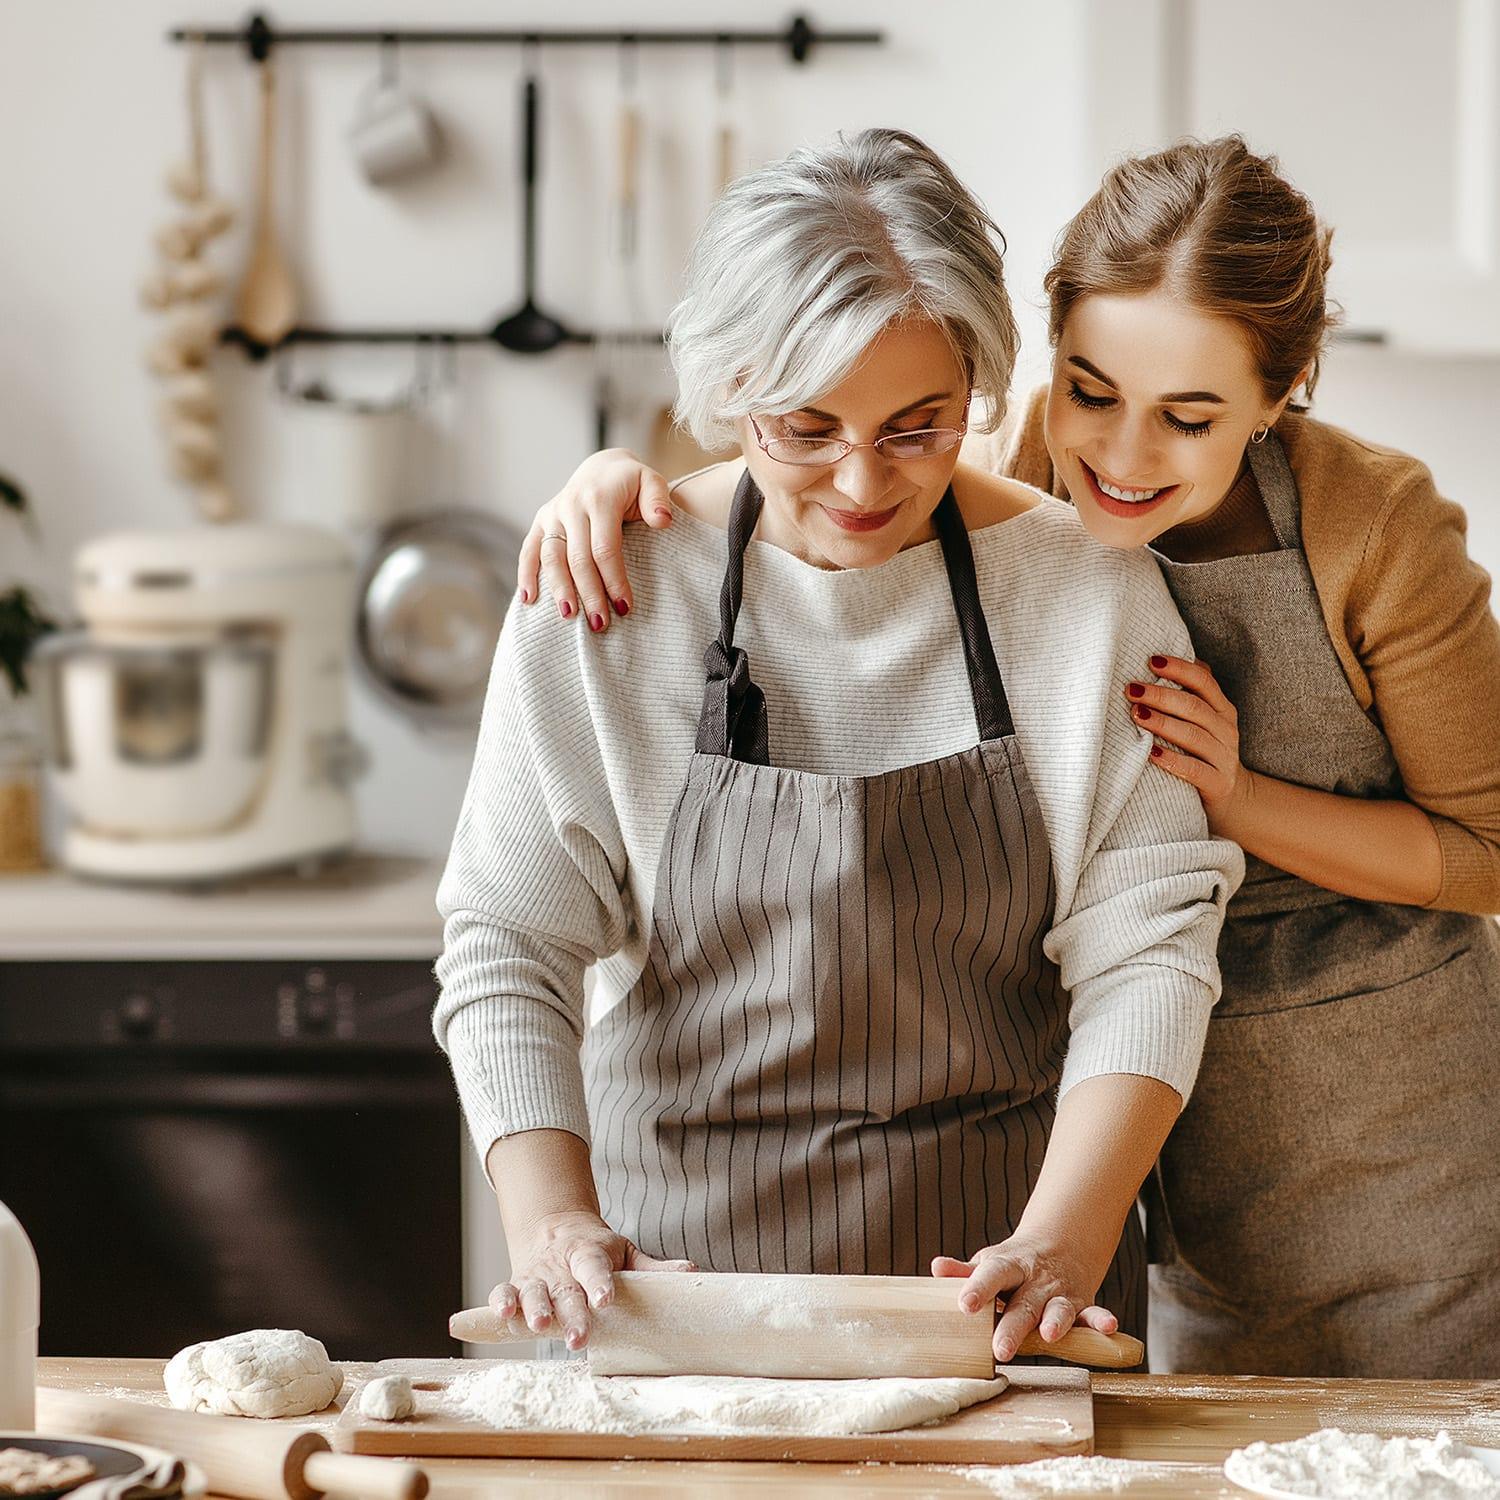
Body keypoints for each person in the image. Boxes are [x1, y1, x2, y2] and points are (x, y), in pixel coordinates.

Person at [518, 135, 1500, 1378]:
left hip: (1393, 1132)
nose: (1125, 458)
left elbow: (1485, 853)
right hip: (1165, 1153)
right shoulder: (1030, 483)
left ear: (1284, 392)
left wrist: (1237, 799)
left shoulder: (1370, 530)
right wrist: (622, 488)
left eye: (1188, 418)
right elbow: (844, 464)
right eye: (1091, 391)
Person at [435, 129, 1240, 1365]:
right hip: (670, 1307)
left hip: (1005, 1307)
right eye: (804, 430)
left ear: (978, 384)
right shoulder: (608, 589)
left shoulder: (1086, 595)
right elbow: (507, 939)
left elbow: (1150, 950)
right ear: (728, 390)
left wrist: (1065, 1245)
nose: (864, 483)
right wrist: (550, 1224)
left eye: (920, 427)